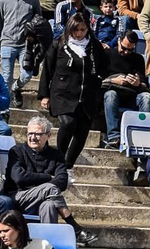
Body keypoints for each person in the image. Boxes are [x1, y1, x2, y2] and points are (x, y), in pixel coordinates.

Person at [6, 116, 91, 243]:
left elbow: (62, 182)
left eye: (38, 134)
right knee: (50, 188)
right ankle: (75, 228)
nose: (33, 137)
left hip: (44, 199)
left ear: (49, 135)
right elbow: (19, 178)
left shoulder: (56, 155)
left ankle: (48, 247)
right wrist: (47, 178)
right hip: (20, 196)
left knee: (49, 205)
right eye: (30, 133)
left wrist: (40, 186)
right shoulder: (16, 151)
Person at [39, 14, 106, 167]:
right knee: (68, 123)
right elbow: (47, 70)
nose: (79, 33)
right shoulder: (59, 44)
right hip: (62, 93)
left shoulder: (94, 46)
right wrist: (44, 94)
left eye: (83, 30)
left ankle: (68, 166)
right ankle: (59, 161)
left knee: (82, 132)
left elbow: (104, 66)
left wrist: (99, 79)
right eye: (76, 30)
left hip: (86, 95)